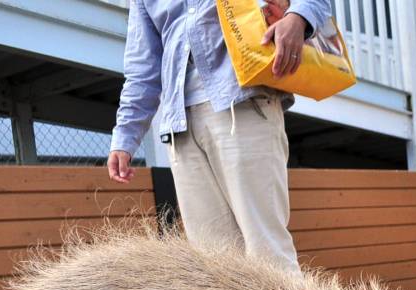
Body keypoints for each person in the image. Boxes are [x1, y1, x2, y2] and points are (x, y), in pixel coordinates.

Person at [107, 0, 331, 270]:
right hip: (180, 125)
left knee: (268, 253)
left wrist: (298, 18)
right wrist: (125, 137)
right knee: (214, 265)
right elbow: (142, 65)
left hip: (243, 103)